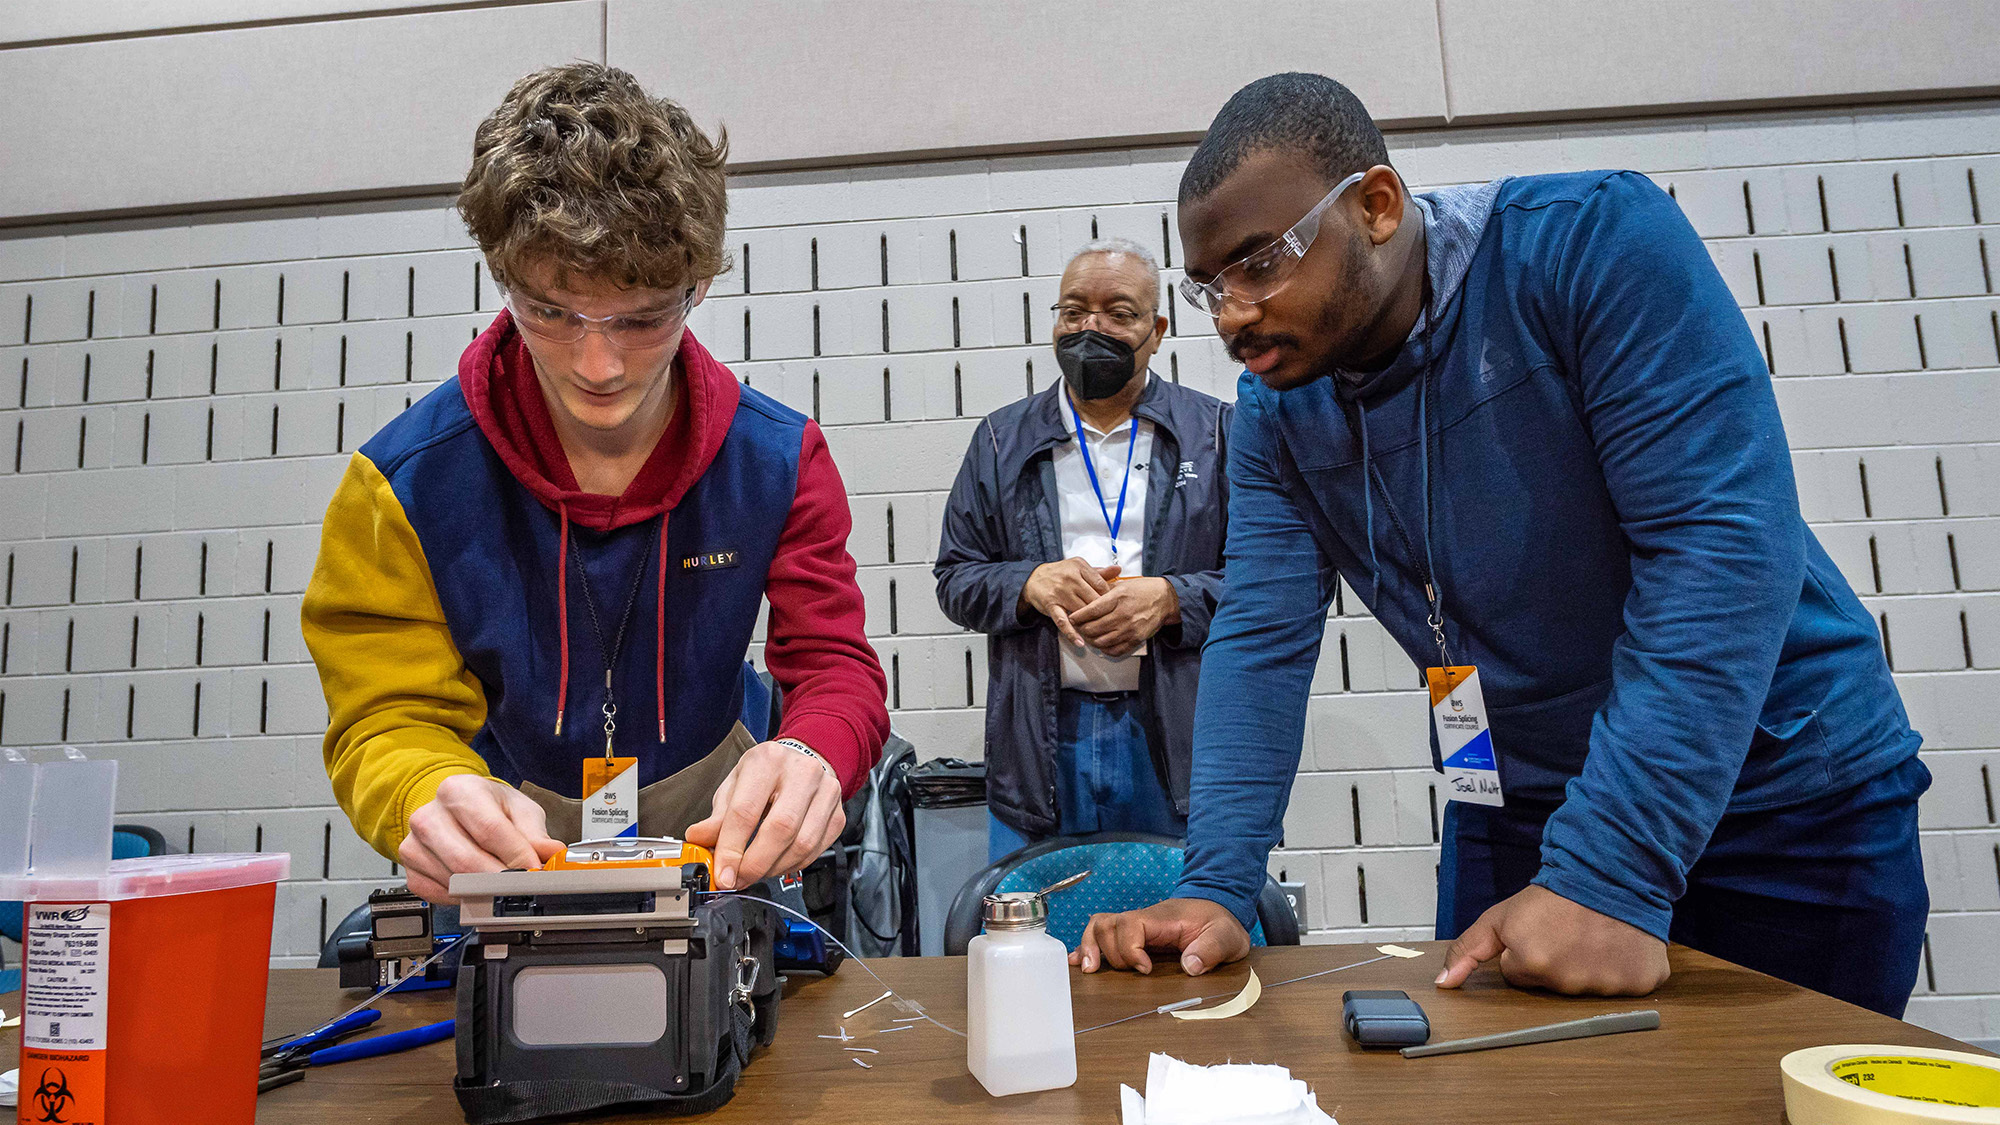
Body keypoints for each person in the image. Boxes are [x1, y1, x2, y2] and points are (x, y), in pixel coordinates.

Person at [1074, 73, 1929, 1018]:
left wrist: (1610, 868)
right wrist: (1219, 886)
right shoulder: (1278, 410)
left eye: (1263, 262)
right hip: (1521, 805)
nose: (1232, 313)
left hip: (1779, 798)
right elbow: (1262, 636)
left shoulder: (1590, 243)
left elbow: (1719, 547)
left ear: (1377, 206)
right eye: (1211, 287)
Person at [302, 63, 889, 903]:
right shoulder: (399, 487)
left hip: (718, 867)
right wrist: (421, 787)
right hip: (500, 864)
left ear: (700, 284)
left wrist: (810, 753)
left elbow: (834, 664)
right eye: (551, 312)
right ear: (502, 275)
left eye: (643, 318)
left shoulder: (778, 461)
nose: (598, 364)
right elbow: (386, 715)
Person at [935, 239, 1232, 860]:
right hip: (1043, 743)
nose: (1090, 327)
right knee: (1045, 939)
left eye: (1118, 313)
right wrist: (1028, 584)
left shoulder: (1220, 434)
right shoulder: (999, 440)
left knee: (1184, 934)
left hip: (1178, 740)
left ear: (1157, 331)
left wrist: (1173, 600)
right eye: (1073, 312)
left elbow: (1273, 583)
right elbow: (955, 578)